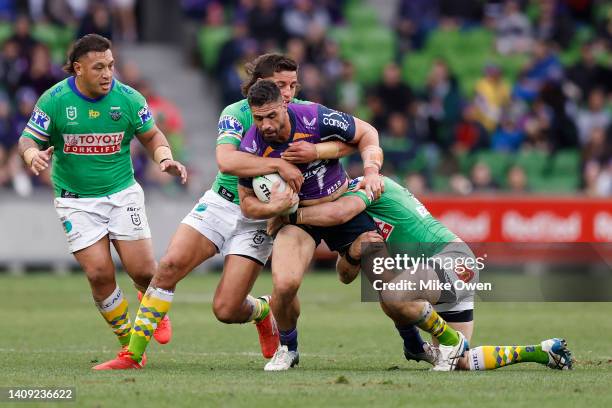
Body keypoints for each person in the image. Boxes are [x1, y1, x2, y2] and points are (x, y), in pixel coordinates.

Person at [93, 54, 342, 370]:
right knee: (168, 266)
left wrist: (322, 152)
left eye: (293, 85)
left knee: (226, 309)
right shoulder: (236, 113)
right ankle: (133, 354)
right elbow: (227, 161)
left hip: (260, 218)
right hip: (221, 203)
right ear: (259, 84)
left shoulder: (302, 113)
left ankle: (263, 312)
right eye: (281, 85)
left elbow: (351, 136)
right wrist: (278, 164)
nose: (289, 92)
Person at [270, 175, 573, 371]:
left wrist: (290, 215)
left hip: (451, 259)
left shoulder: (367, 187)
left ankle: (430, 341)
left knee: (392, 295)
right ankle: (542, 351)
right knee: (460, 361)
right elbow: (345, 274)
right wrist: (351, 251)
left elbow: (339, 213)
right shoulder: (349, 215)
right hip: (435, 275)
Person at [17, 34, 187, 364]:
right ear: (78, 69)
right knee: (98, 274)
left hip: (122, 194)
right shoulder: (54, 100)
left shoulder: (128, 98)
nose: (108, 73)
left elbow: (151, 135)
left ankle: (149, 299)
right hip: (75, 200)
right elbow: (27, 139)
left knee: (142, 270)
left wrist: (164, 157)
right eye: (99, 67)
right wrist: (31, 156)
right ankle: (129, 340)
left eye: (110, 65)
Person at [237, 79, 385, 371]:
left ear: (284, 104)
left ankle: (415, 345)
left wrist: (370, 171)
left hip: (341, 205)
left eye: (271, 116)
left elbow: (367, 132)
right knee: (285, 284)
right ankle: (288, 348)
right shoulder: (250, 148)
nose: (265, 125)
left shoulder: (314, 117)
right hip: (297, 219)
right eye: (258, 118)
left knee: (387, 278)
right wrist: (273, 207)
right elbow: (246, 204)